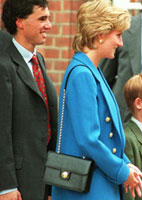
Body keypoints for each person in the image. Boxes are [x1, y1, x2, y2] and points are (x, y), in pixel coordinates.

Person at [51, 1, 142, 200]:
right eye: (117, 36)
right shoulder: (82, 74)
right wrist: (121, 171)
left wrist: (125, 164)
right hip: (89, 188)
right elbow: (88, 139)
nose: (120, 43)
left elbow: (106, 135)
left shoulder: (93, 71)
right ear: (100, 35)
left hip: (98, 183)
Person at [0, 0, 58, 199]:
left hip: (41, 179)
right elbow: (2, 130)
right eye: (42, 18)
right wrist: (5, 186)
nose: (48, 25)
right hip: (17, 184)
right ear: (20, 22)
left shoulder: (38, 60)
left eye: (48, 18)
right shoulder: (3, 66)